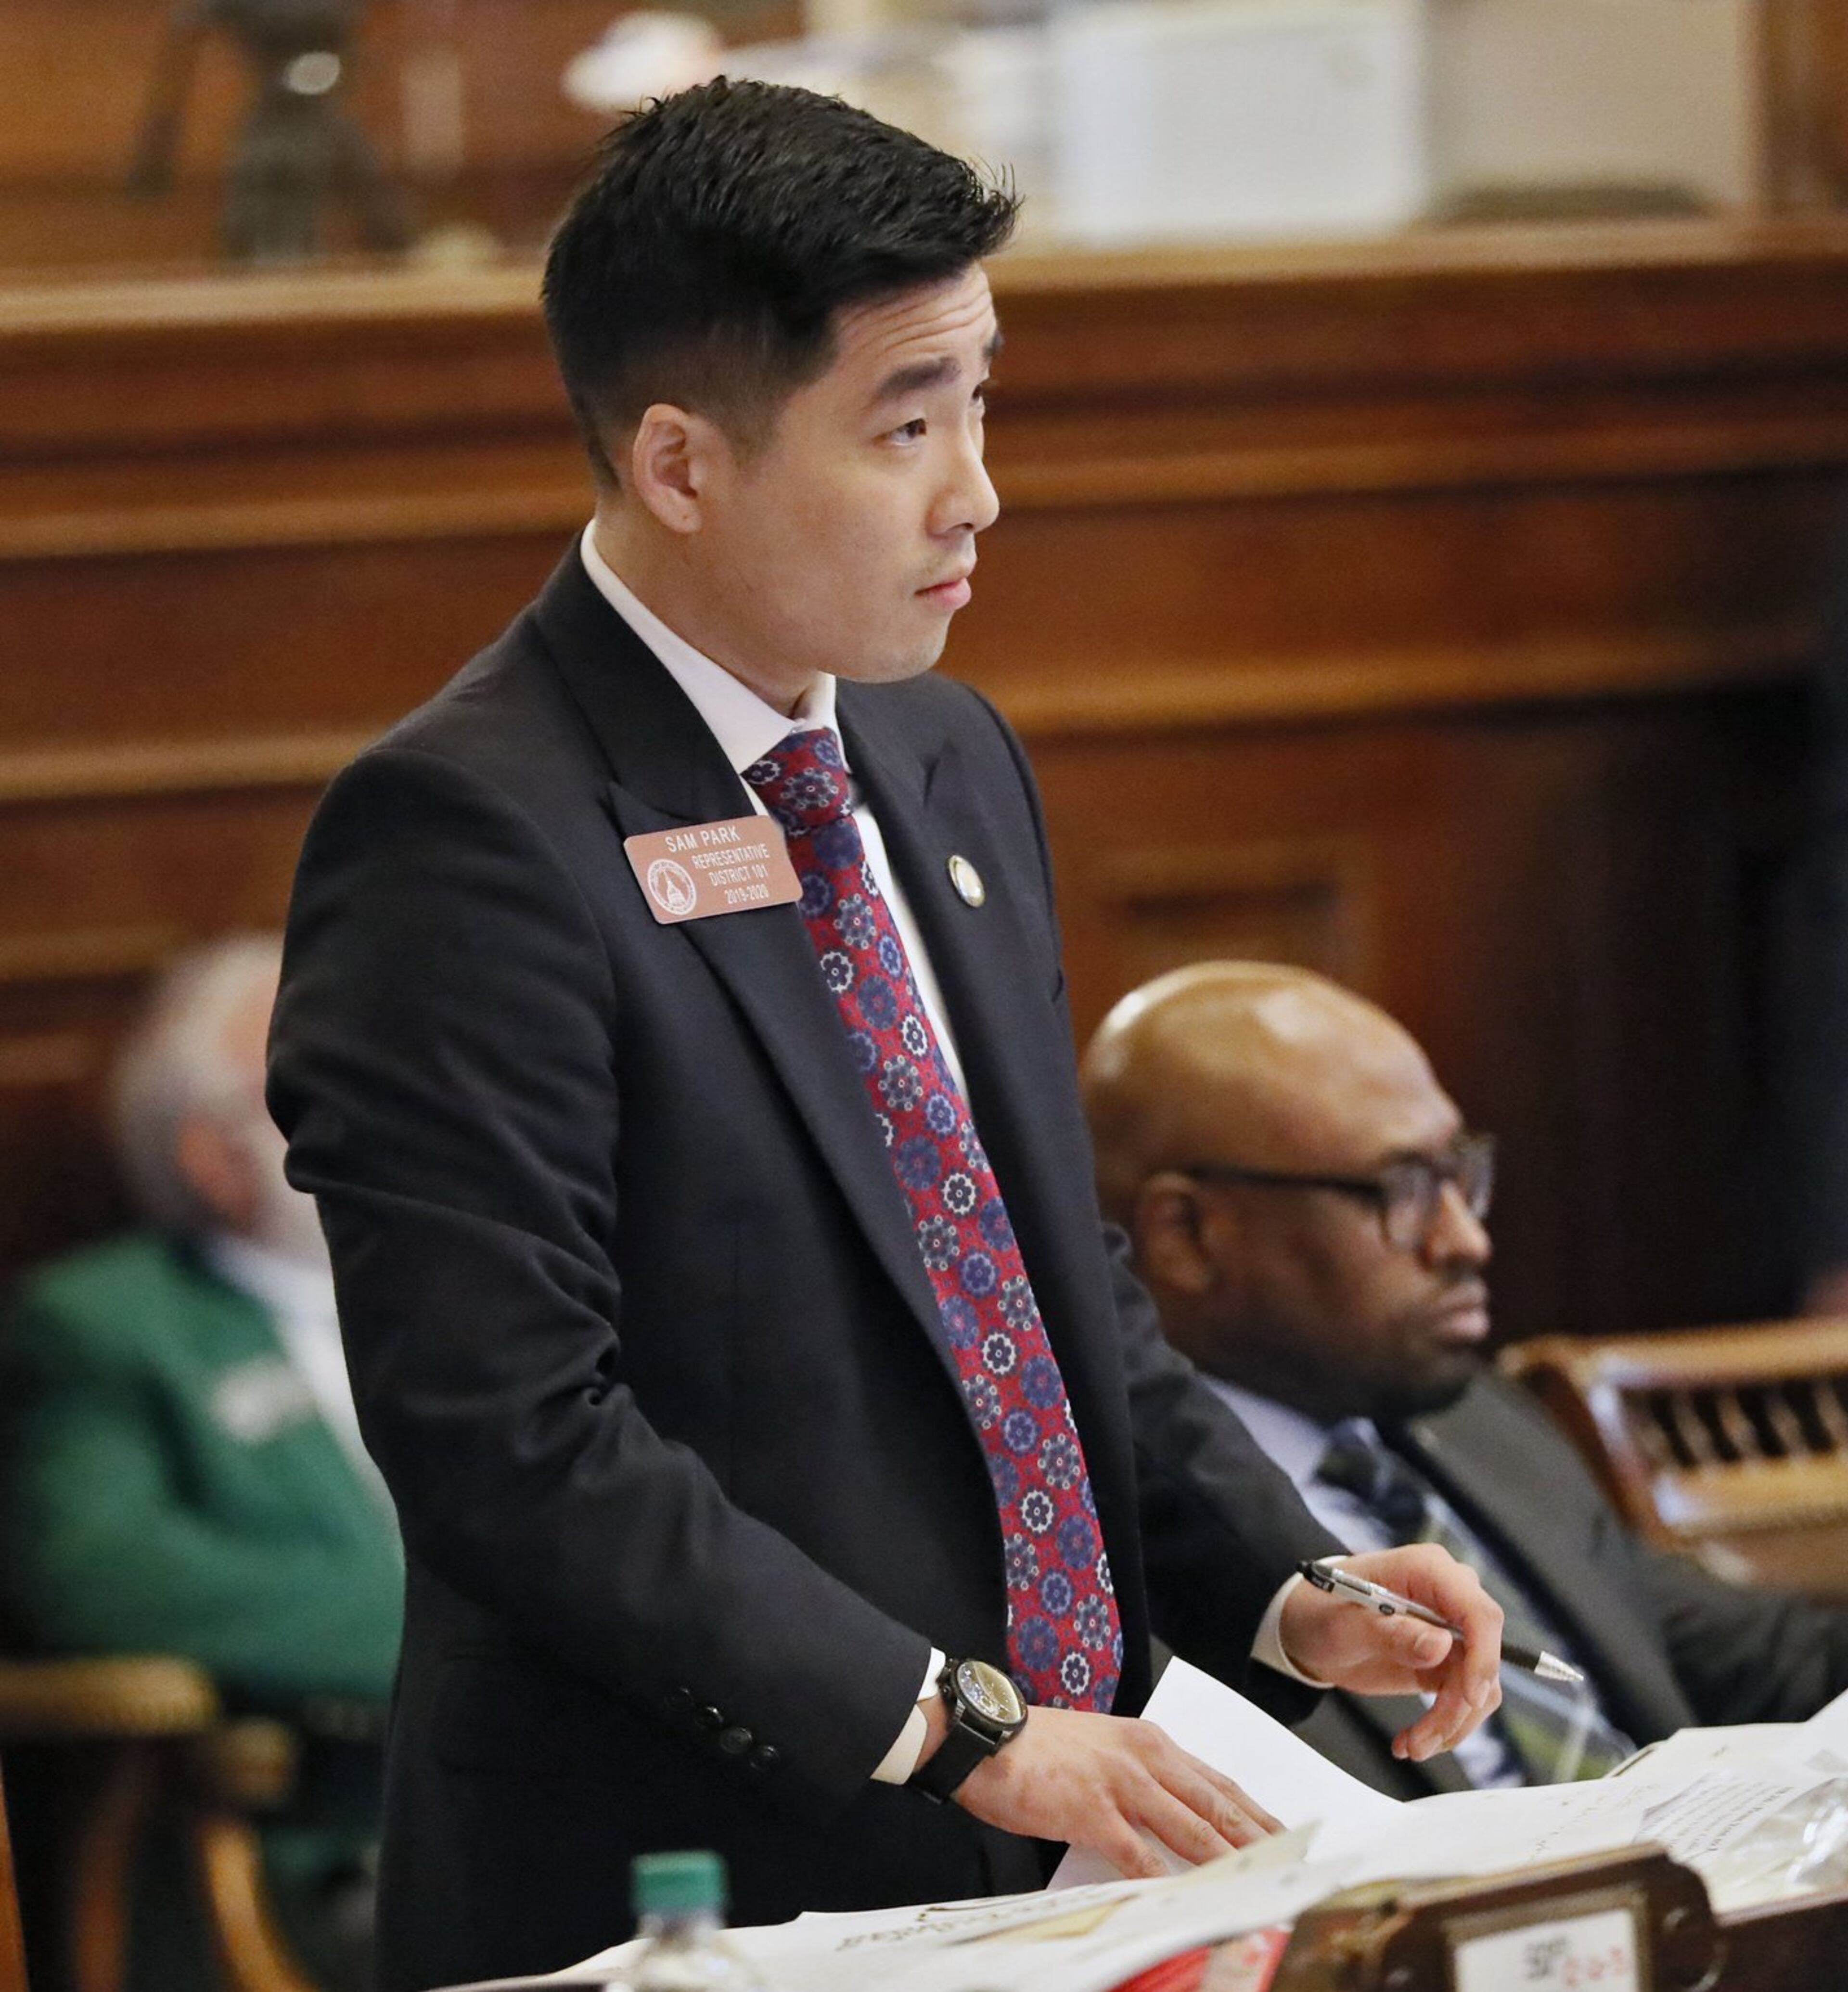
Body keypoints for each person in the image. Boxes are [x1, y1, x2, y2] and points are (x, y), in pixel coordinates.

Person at [266, 80, 1506, 1992]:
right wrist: (964, 1728)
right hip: (697, 1886)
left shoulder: (940, 755)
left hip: (1080, 1857)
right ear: (681, 466)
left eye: (982, 401)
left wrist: (1285, 1585)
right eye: (906, 423)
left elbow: (1029, 1279)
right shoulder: (466, 836)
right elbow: (509, 1436)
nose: (977, 491)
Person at [1080, 960, 1848, 1800]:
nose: (1465, 1240)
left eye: (1460, 1176)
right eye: (1404, 1190)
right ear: (1188, 1233)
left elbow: (1771, 1664)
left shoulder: (1478, 1422)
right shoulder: (1124, 1562)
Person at [0, 936, 403, 1992]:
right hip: (333, 1840)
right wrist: (463, 1621)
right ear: (211, 1157)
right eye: (330, 1080)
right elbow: (100, 1575)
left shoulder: (488, 1290)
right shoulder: (107, 1328)